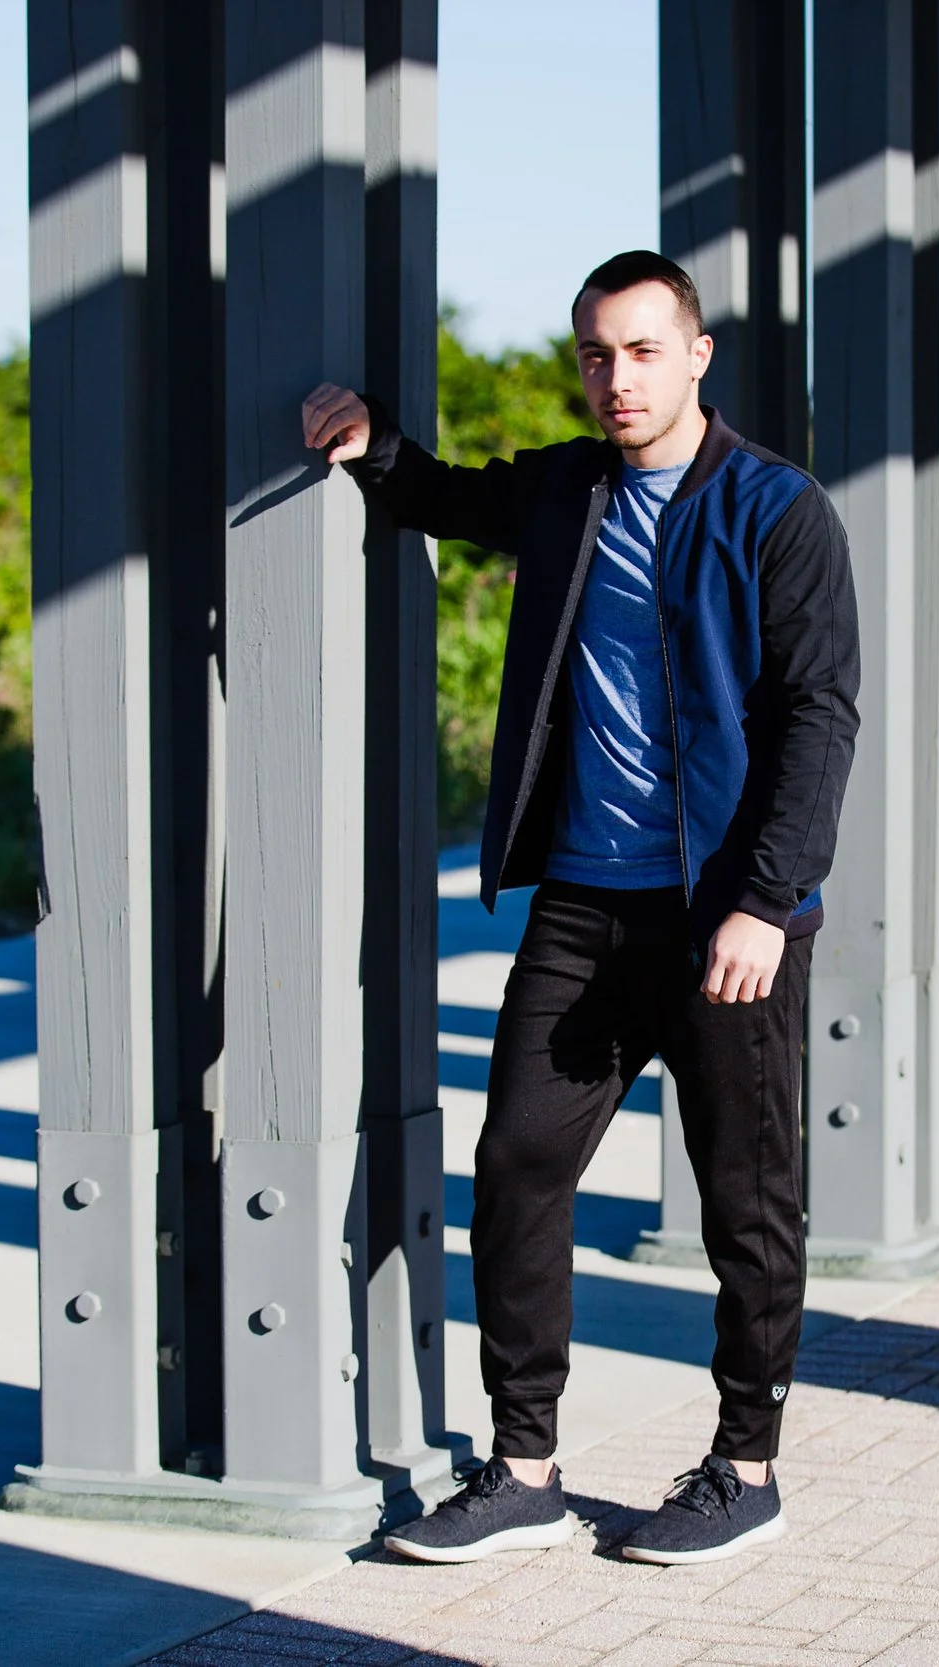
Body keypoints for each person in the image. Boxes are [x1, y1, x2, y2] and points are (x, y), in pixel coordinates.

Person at [301, 250, 860, 1567]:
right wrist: (373, 445)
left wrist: (763, 901)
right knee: (516, 1168)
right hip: (584, 909)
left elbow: (818, 718)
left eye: (644, 351)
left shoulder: (780, 511)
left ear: (698, 354)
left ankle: (745, 1463)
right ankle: (527, 1466)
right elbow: (441, 496)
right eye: (598, 355)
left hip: (728, 919)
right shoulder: (568, 487)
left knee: (746, 1198)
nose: (619, 379)